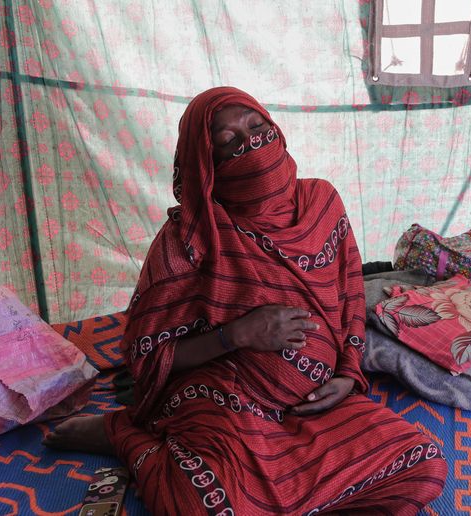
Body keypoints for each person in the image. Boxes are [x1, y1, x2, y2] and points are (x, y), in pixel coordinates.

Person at [45, 87, 446, 514]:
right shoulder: (190, 237)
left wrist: (347, 374)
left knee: (423, 464)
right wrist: (236, 335)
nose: (250, 143)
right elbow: (147, 355)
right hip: (224, 396)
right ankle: (121, 435)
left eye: (257, 128)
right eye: (228, 141)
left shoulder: (322, 203)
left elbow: (349, 296)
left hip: (313, 404)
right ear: (207, 163)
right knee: (207, 506)